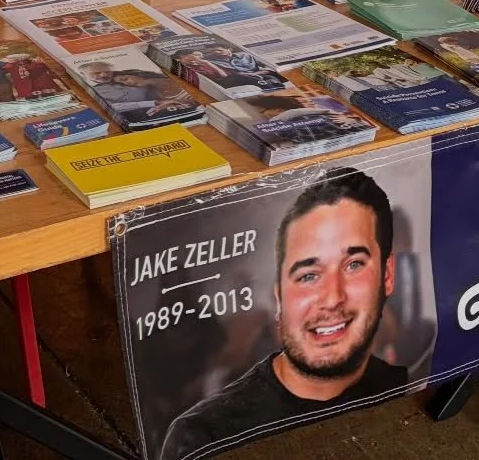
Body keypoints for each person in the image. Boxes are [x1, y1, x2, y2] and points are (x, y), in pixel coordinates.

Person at [158, 169, 417, 460]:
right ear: (279, 296)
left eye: (354, 265)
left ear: (388, 275)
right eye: (308, 275)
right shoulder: (203, 438)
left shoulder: (408, 389)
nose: (332, 297)